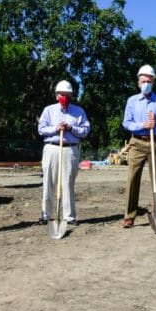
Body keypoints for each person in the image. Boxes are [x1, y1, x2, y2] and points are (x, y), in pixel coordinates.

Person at [121, 65, 156, 228]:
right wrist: (143, 124)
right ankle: (129, 216)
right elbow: (126, 123)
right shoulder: (132, 101)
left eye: (149, 81)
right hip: (136, 142)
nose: (146, 84)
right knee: (132, 179)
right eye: (143, 81)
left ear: (153, 82)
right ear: (138, 82)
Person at [37, 80, 91, 226]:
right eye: (62, 95)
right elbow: (41, 129)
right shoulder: (48, 110)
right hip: (52, 148)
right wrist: (55, 128)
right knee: (49, 181)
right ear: (56, 95)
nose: (65, 98)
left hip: (70, 149)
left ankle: (69, 216)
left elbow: (85, 131)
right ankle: (46, 214)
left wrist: (71, 128)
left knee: (68, 183)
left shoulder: (79, 112)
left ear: (72, 96)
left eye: (68, 95)